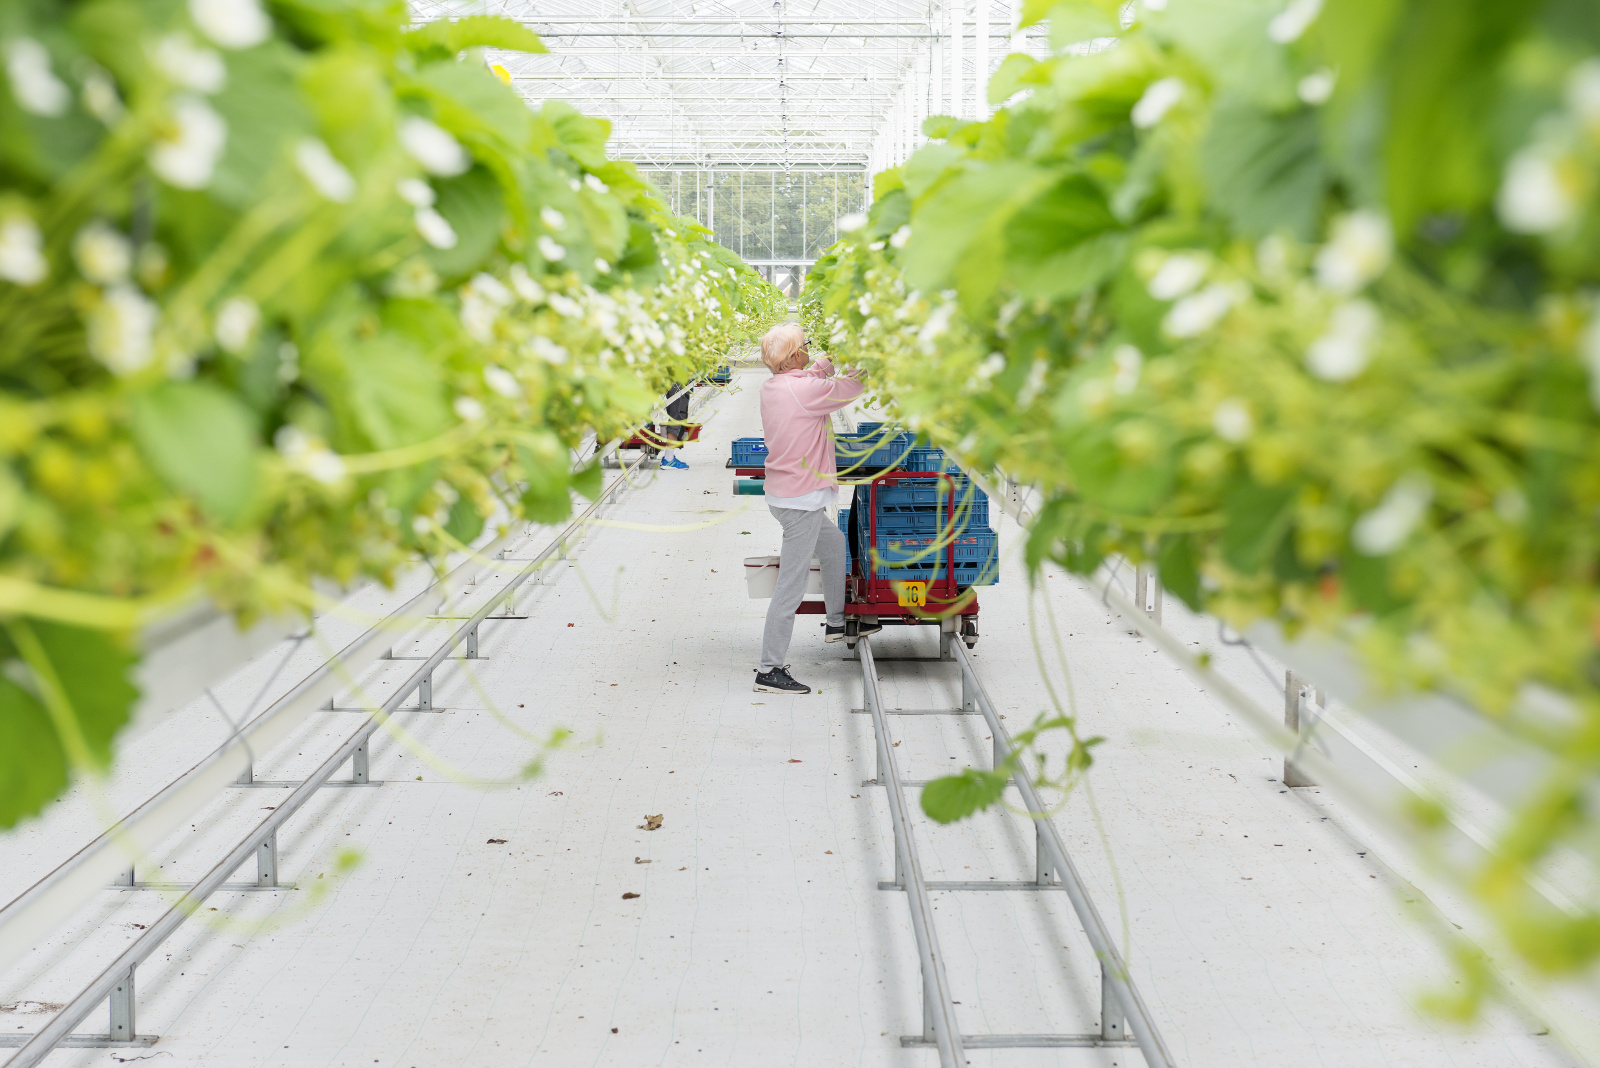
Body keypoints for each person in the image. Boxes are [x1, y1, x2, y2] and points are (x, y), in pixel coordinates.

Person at [753, 322, 882, 695]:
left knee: (834, 545)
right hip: (801, 500)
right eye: (805, 347)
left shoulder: (776, 386)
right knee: (790, 586)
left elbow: (809, 375)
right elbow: (849, 388)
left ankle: (837, 621)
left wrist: (832, 358)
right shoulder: (804, 390)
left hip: (785, 494)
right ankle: (769, 668)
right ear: (794, 356)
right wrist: (866, 360)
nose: (809, 351)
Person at [657, 381, 691, 469]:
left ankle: (669, 457)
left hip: (678, 383)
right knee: (677, 418)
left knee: (677, 417)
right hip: (677, 384)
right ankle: (668, 460)